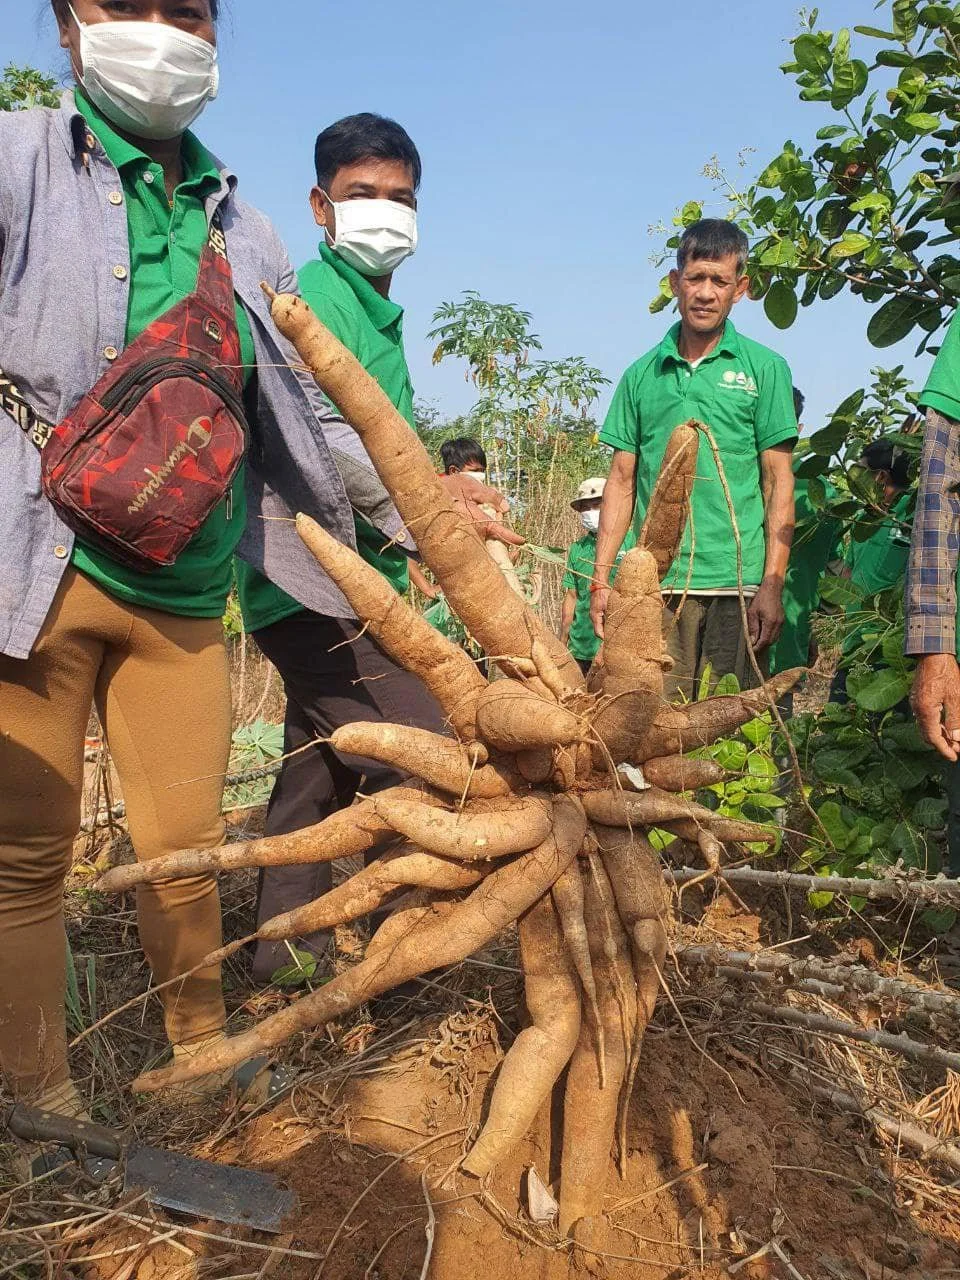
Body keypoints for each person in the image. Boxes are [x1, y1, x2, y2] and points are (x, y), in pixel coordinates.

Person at [0, 0, 367, 1119]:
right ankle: (43, 1100)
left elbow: (309, 409)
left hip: (184, 589)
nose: (159, 30)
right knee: (24, 856)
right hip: (34, 572)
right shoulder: (18, 164)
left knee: (187, 845)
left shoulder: (245, 230)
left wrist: (424, 497)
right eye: (128, 4)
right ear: (68, 24)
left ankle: (198, 1050)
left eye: (189, 13)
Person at [234, 113, 449, 984]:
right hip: (313, 586)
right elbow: (330, 441)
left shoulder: (376, 313)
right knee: (422, 761)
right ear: (321, 207)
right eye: (363, 194)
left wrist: (440, 505)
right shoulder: (316, 298)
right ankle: (406, 966)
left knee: (315, 775)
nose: (385, 211)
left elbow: (387, 447)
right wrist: (430, 523)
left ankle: (284, 961)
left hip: (355, 585)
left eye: (401, 198)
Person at [590, 219, 797, 699]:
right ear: (674, 282)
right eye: (695, 278)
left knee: (729, 722)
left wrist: (771, 585)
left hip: (737, 585)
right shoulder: (641, 374)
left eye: (719, 281)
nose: (705, 293)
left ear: (740, 288)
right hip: (655, 586)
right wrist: (602, 581)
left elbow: (778, 482)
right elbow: (620, 481)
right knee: (654, 720)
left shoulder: (765, 369)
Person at [769, 388, 844, 681]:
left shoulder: (739, 480)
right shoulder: (826, 493)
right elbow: (834, 572)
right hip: (790, 643)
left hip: (728, 640)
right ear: (798, 430)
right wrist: (819, 633)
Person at [831, 439, 912, 703]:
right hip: (855, 647)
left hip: (894, 650)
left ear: (880, 477)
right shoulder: (862, 519)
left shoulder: (915, 513)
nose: (854, 482)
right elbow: (848, 574)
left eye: (860, 473)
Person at [560, 478, 632, 675]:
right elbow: (571, 596)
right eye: (585, 507)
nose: (590, 512)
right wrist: (563, 641)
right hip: (580, 647)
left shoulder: (630, 541)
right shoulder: (577, 549)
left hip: (618, 647)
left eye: (596, 505)